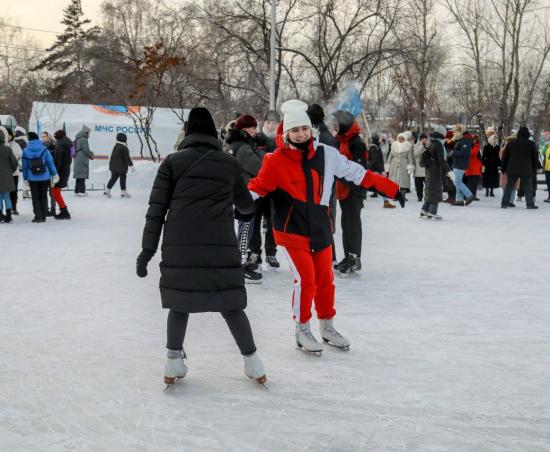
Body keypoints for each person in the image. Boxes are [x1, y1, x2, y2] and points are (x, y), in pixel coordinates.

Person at [248, 99, 404, 353]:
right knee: (306, 279)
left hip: (320, 227)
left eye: (304, 129)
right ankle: (302, 329)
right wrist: (231, 205)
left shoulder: (327, 154)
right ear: (287, 133)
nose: (300, 134)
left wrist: (391, 188)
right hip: (291, 229)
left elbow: (358, 173)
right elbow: (256, 189)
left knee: (326, 280)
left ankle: (327, 326)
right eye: (295, 130)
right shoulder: (275, 160)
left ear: (311, 130)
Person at [136, 107, 266, 387]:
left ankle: (173, 362)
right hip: (220, 243)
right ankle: (254, 364)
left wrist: (147, 251)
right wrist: (242, 212)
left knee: (180, 303)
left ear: (188, 132)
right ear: (212, 133)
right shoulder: (228, 163)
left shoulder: (171, 163)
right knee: (230, 303)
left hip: (180, 245)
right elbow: (246, 205)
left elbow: (155, 211)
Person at [225, 114, 264, 282]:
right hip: (245, 194)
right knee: (246, 227)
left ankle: (238, 262)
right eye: (253, 128)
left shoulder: (234, 144)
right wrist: (261, 151)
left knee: (244, 226)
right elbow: (260, 168)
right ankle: (239, 264)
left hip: (236, 192)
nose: (256, 131)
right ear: (245, 129)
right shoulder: (244, 148)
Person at [332, 110, 368, 276]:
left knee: (352, 225)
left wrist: (355, 189)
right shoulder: (343, 140)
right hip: (344, 189)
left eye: (337, 123)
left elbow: (360, 170)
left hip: (354, 191)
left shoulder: (356, 142)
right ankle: (348, 256)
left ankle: (355, 258)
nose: (335, 126)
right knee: (346, 224)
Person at [306, 103, 341, 262]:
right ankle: (326, 255)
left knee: (324, 220)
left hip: (323, 184)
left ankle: (328, 256)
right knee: (323, 219)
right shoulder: (325, 135)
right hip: (324, 183)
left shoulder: (322, 137)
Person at [22, 132, 59, 222]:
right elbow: (50, 163)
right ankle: (43, 215)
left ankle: (38, 216)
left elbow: (25, 167)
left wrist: (25, 178)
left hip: (32, 177)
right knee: (43, 195)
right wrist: (55, 174)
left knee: (35, 197)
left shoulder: (25, 151)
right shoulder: (44, 149)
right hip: (45, 177)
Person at [501, 126, 539, 209]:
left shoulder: (511, 143)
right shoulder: (531, 144)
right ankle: (530, 204)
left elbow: (505, 157)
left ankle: (504, 203)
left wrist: (503, 168)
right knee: (528, 188)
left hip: (512, 169)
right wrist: (534, 169)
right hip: (526, 169)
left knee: (509, 186)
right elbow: (535, 158)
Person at [420, 125, 453, 220]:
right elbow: (441, 160)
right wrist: (449, 170)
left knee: (430, 190)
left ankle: (424, 210)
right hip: (435, 170)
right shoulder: (438, 144)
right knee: (435, 190)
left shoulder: (432, 142)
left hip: (429, 169)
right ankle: (432, 212)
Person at [103, 133, 135, 198]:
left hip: (113, 166)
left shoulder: (115, 146)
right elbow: (127, 158)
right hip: (121, 167)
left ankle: (107, 190)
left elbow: (112, 156)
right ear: (124, 139)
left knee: (113, 178)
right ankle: (123, 192)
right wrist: (131, 166)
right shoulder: (124, 148)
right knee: (123, 178)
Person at [367, 133, 394, 208]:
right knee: (382, 186)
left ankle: (386, 202)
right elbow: (375, 161)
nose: (381, 139)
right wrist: (382, 170)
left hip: (374, 170)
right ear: (377, 139)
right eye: (380, 137)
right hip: (375, 170)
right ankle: (386, 202)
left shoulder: (375, 146)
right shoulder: (374, 148)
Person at [450, 125, 474, 206]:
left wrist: (453, 153)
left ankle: (469, 195)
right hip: (457, 163)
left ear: (460, 132)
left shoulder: (466, 140)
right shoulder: (460, 140)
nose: (454, 133)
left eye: (455, 131)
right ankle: (459, 200)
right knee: (457, 182)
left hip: (460, 164)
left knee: (458, 182)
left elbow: (464, 153)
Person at [386, 132, 414, 201]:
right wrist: (388, 165)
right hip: (394, 164)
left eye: (402, 138)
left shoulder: (408, 146)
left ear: (405, 139)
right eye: (399, 138)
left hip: (404, 164)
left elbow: (410, 157)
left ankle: (403, 196)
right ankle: (396, 196)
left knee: (403, 181)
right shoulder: (394, 145)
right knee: (394, 180)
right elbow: (390, 156)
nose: (401, 139)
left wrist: (410, 166)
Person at [52, 130, 73, 219]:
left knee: (55, 192)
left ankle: (64, 211)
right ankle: (63, 211)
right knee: (57, 192)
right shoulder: (67, 144)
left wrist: (54, 173)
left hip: (60, 172)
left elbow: (57, 161)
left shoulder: (60, 145)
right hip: (65, 170)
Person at [0, 127, 19, 223]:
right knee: (6, 197)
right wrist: (10, 171)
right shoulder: (7, 149)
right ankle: (9, 216)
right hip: (7, 177)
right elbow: (15, 163)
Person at [5, 128, 23, 215]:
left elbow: (20, 158)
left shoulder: (16, 145)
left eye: (10, 134)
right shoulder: (3, 145)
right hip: (4, 173)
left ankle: (14, 207)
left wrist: (20, 166)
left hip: (15, 173)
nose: (8, 136)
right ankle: (6, 209)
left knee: (14, 191)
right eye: (6, 134)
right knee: (4, 192)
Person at [73, 125, 94, 196]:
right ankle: (82, 191)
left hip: (77, 158)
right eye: (89, 133)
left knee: (78, 175)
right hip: (82, 159)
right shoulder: (84, 139)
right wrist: (91, 155)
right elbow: (86, 150)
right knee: (82, 175)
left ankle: (77, 191)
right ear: (86, 132)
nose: (89, 134)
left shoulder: (77, 139)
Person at [41, 131, 57, 216]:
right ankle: (45, 209)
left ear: (48, 137)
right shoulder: (40, 147)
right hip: (43, 172)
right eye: (42, 136)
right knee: (44, 192)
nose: (42, 138)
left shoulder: (54, 146)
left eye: (44, 136)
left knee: (52, 192)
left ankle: (53, 209)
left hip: (51, 172)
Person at [464, 132, 483, 201]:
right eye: (474, 139)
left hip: (475, 167)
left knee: (474, 183)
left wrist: (481, 166)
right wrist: (476, 146)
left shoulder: (475, 146)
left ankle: (473, 195)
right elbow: (473, 153)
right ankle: (469, 196)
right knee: (470, 183)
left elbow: (478, 158)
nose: (475, 140)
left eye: (476, 139)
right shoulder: (470, 146)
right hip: (470, 167)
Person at [14, 127, 31, 200]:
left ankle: (15, 194)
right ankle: (25, 192)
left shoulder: (14, 141)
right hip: (22, 162)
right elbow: (25, 153)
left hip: (15, 163)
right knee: (25, 178)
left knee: (16, 179)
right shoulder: (23, 142)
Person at [413, 133, 428, 202]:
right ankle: (420, 196)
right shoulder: (416, 145)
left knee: (428, 184)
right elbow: (416, 154)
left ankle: (427, 196)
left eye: (426, 139)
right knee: (419, 185)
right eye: (423, 139)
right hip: (418, 168)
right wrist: (421, 145)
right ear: (421, 139)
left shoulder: (428, 145)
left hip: (427, 168)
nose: (425, 140)